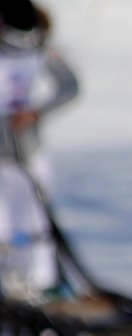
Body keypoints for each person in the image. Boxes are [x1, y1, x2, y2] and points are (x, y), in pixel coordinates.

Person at [0, 0, 79, 193]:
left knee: (31, 208)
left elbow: (70, 86)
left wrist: (35, 113)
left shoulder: (41, 48)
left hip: (28, 147)